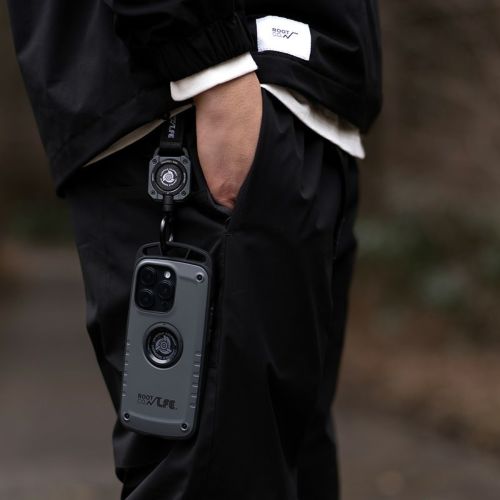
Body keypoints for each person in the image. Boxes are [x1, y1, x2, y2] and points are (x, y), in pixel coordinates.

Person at [7, 1, 382, 498]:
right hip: (206, 98)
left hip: (301, 109)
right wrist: (211, 68)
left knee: (279, 469)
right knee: (215, 474)